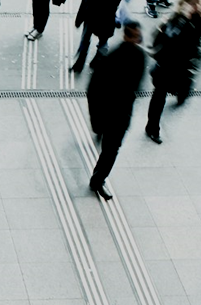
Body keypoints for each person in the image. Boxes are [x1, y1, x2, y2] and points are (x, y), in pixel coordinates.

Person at [87, 21, 146, 200]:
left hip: (116, 112)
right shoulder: (115, 57)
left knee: (111, 149)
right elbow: (94, 89)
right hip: (115, 113)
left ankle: (98, 179)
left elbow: (93, 89)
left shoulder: (118, 55)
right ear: (129, 36)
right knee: (111, 150)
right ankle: (97, 181)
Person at [145, 0, 201, 144]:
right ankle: (152, 128)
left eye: (196, 4)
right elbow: (166, 38)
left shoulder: (197, 20)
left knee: (182, 87)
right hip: (168, 65)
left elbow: (198, 37)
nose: (193, 7)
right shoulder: (176, 20)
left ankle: (181, 95)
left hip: (183, 65)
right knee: (159, 96)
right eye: (190, 4)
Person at [71, 0, 121, 73]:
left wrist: (79, 19)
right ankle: (98, 60)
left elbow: (85, 2)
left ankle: (80, 63)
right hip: (106, 17)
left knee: (86, 40)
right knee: (103, 42)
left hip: (92, 15)